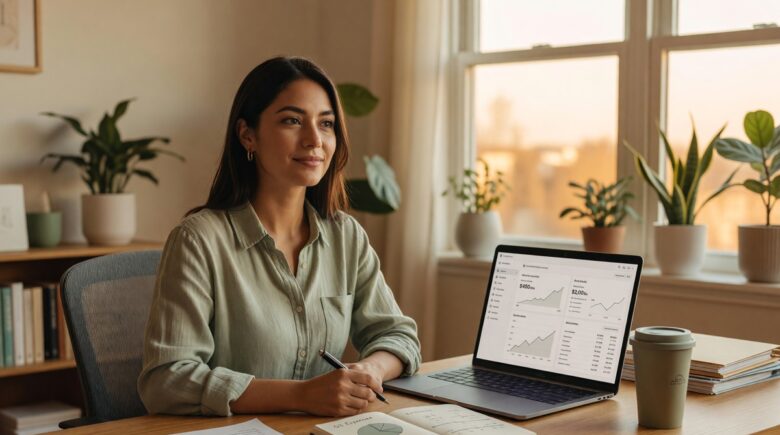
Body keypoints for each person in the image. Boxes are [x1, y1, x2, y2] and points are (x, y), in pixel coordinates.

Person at [137, 56, 421, 417]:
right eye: (292, 121)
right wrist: (300, 396)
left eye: (326, 124)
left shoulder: (346, 237)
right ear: (247, 134)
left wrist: (370, 370)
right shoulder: (199, 240)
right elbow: (166, 380)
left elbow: (398, 335)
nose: (314, 139)